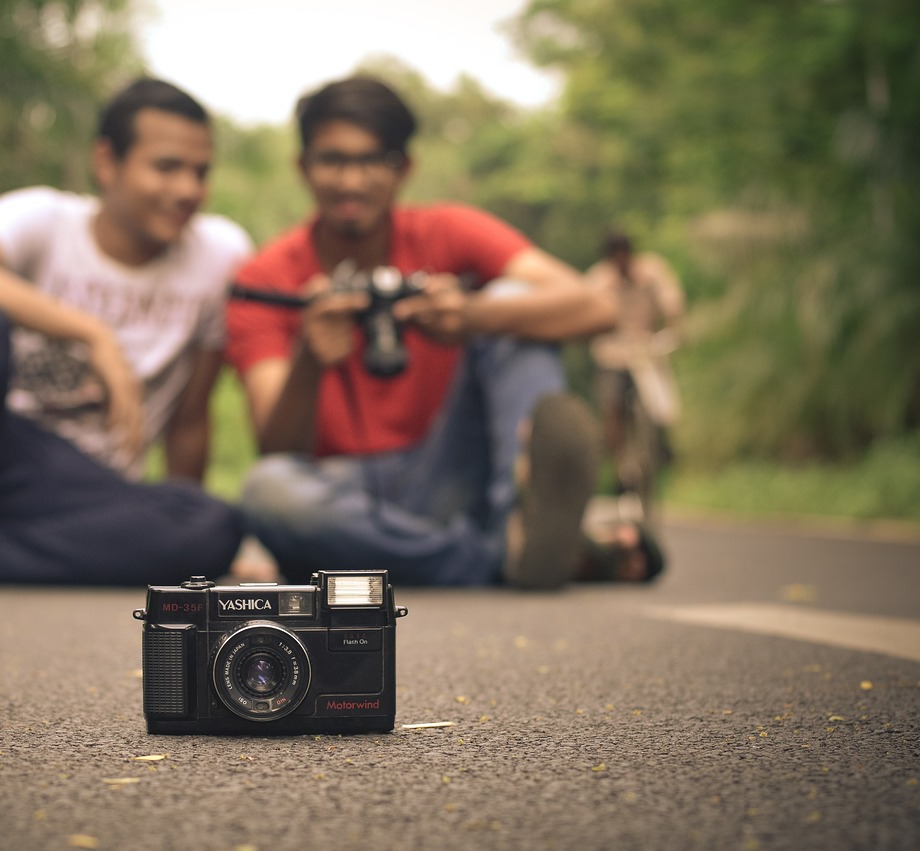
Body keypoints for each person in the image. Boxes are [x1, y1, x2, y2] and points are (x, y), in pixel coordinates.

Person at [225, 76, 663, 589]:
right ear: (303, 167)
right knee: (268, 493)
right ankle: (503, 554)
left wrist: (470, 315)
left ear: (404, 168)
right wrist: (308, 359)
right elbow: (274, 446)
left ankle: (515, 515)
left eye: (373, 161)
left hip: (450, 468)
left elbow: (596, 307)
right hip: (344, 489)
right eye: (333, 160)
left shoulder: (448, 232)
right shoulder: (265, 277)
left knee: (514, 301)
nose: (351, 180)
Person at [0, 78, 250, 593]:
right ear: (107, 163)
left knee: (212, 524)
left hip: (87, 489)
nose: (189, 190)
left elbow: (191, 417)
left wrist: (176, 532)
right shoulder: (43, 218)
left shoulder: (218, 255)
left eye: (201, 172)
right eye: (167, 167)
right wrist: (91, 333)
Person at [585, 232, 685, 501]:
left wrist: (673, 324)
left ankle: (662, 445)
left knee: (661, 403)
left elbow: (672, 301)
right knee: (612, 404)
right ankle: (623, 467)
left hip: (647, 349)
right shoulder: (599, 279)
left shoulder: (652, 271)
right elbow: (588, 313)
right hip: (613, 352)